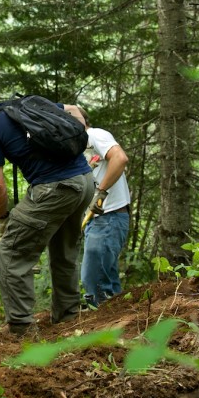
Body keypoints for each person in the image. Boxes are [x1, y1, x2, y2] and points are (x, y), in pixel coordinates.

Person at [0, 86, 94, 336]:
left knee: (11, 251)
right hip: (84, 181)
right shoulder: (28, 103)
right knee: (64, 251)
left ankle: (20, 327)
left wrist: (2, 219)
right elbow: (74, 110)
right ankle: (68, 317)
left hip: (55, 188)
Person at [75, 107, 131, 307]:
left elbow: (120, 158)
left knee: (95, 281)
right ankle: (120, 325)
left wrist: (101, 192)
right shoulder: (78, 147)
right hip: (97, 220)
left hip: (109, 216)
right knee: (104, 281)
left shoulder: (95, 135)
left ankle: (104, 330)